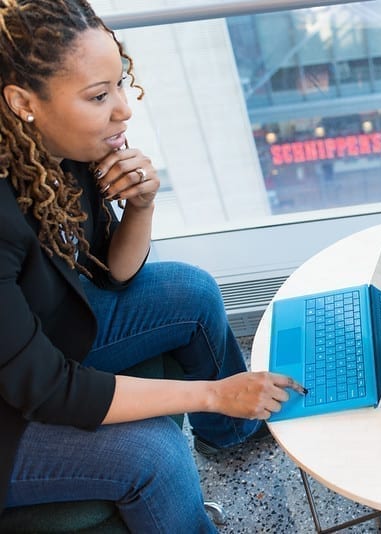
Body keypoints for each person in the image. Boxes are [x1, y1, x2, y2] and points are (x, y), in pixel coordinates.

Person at [0, 1, 304, 531]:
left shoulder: (55, 147)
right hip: (11, 407)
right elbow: (45, 388)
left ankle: (231, 435)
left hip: (39, 343)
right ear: (23, 101)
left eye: (119, 83)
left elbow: (109, 275)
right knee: (154, 453)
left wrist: (140, 205)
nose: (123, 109)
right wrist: (214, 391)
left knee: (189, 292)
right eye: (99, 96)